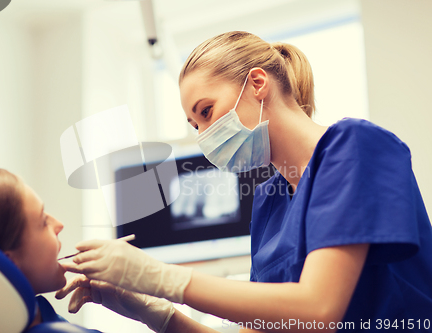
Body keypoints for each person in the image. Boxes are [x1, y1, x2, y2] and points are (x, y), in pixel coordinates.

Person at [58, 31, 432, 332]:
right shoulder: (269, 200)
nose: (204, 135)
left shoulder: (355, 146)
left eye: (206, 112)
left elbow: (318, 311)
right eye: (195, 125)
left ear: (257, 83)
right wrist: (153, 311)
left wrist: (159, 276)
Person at [0, 167, 102, 332]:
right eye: (43, 221)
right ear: (7, 263)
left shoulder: (39, 314)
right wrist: (129, 287)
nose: (59, 225)